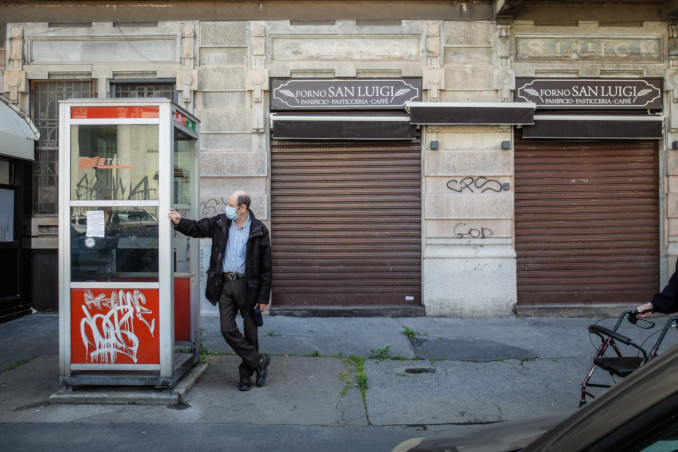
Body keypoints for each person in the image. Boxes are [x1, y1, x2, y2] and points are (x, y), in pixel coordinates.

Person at [168, 190, 272, 391]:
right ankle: (258, 361)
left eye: (230, 204)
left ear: (242, 208)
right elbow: (198, 228)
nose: (227, 207)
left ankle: (245, 375)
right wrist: (179, 221)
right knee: (227, 329)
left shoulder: (259, 229)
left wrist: (263, 297)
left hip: (247, 287)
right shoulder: (220, 222)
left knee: (251, 333)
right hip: (225, 284)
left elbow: (266, 267)